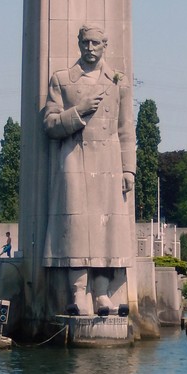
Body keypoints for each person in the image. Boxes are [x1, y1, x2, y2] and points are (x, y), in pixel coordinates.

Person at [42, 24, 136, 315]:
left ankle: (102, 293)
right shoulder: (62, 80)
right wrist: (78, 110)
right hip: (75, 159)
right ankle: (78, 294)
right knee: (77, 230)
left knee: (106, 231)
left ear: (104, 45)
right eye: (86, 42)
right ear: (78, 44)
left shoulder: (117, 81)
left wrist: (128, 169)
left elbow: (126, 129)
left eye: (96, 42)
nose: (90, 48)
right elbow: (50, 124)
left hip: (108, 162)